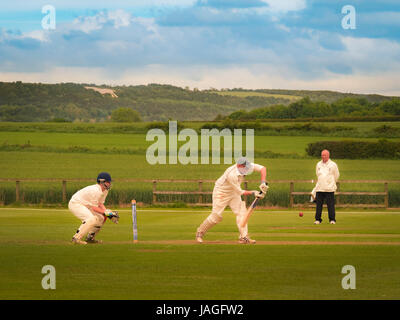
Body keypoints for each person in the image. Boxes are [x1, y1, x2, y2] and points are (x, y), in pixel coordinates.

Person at [195, 157, 268, 244]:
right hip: (221, 192)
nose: (248, 170)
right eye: (246, 168)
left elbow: (263, 168)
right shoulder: (232, 174)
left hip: (233, 192)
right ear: (239, 166)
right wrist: (254, 192)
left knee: (241, 212)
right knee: (216, 217)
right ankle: (200, 233)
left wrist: (263, 182)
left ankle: (243, 237)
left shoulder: (246, 165)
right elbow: (240, 192)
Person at [68, 172, 119, 244]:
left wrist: (108, 213)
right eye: (108, 182)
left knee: (101, 218)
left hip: (86, 205)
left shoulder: (105, 190)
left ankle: (90, 238)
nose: (110, 183)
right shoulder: (95, 190)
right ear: (102, 182)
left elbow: (100, 203)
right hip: (75, 204)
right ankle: (76, 238)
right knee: (91, 219)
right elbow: (94, 207)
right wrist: (106, 213)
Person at [313, 150, 340, 225]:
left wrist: (330, 183)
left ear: (328, 156)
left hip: (329, 188)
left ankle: (332, 220)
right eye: (322, 155)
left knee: (330, 205)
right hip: (320, 187)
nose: (323, 157)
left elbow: (336, 175)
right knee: (319, 205)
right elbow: (318, 175)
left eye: (325, 155)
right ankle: (318, 219)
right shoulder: (318, 164)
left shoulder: (333, 165)